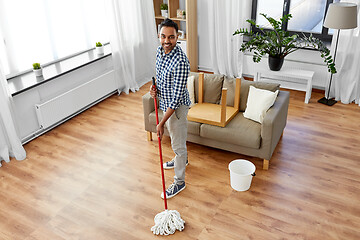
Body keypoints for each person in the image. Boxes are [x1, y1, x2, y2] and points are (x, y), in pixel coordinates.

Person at [150, 18, 191, 199]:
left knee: (178, 145)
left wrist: (161, 123)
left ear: (177, 37)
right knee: (177, 140)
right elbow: (159, 76)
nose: (167, 41)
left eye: (171, 37)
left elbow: (175, 100)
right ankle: (182, 160)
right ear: (159, 36)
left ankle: (179, 182)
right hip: (165, 103)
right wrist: (154, 89)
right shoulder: (160, 51)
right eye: (163, 37)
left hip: (176, 108)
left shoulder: (181, 62)